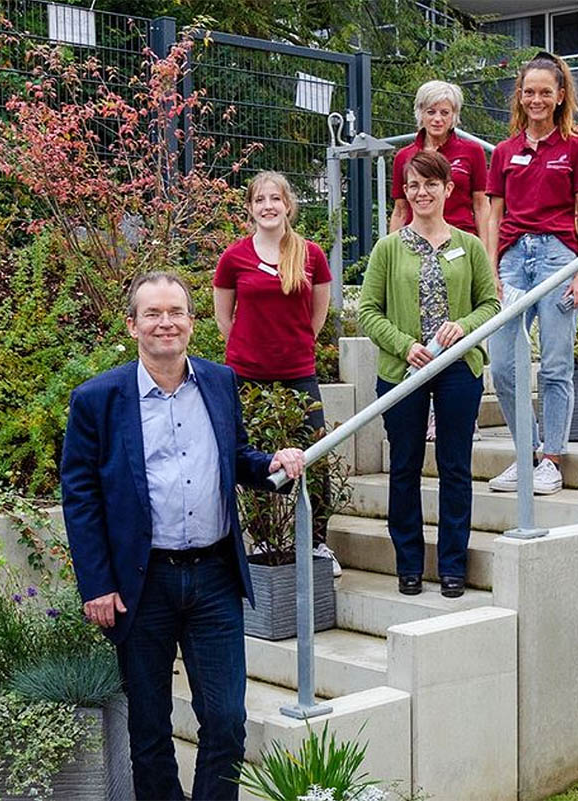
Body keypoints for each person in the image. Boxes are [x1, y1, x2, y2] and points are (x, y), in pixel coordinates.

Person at [60, 272, 305, 801]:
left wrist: (274, 465)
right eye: (153, 313)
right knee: (149, 727)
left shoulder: (219, 382)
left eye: (176, 312)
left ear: (193, 323)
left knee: (225, 720)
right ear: (132, 326)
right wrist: (96, 584)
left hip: (214, 576)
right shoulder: (97, 399)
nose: (165, 322)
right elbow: (79, 498)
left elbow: (235, 457)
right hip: (140, 583)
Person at [358, 151, 500, 599]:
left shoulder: (470, 245)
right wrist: (405, 345)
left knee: (454, 467)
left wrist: (464, 327)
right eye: (413, 186)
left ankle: (453, 566)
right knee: (404, 468)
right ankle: (410, 565)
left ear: (448, 189)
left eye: (430, 185)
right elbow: (366, 311)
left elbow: (491, 305)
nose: (422, 193)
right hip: (404, 370)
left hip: (458, 367)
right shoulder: (388, 247)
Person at [213, 171, 340, 575]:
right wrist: (254, 350)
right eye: (260, 200)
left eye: (276, 198)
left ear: (288, 205)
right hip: (247, 377)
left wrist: (294, 344)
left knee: (314, 459)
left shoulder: (311, 255)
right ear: (250, 208)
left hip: (298, 373)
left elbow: (317, 315)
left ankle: (318, 543)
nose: (268, 206)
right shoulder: (234, 258)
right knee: (254, 459)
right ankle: (265, 539)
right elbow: (224, 319)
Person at [485, 51, 578, 496]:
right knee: (504, 366)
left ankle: (551, 457)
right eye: (529, 92)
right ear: (520, 95)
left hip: (557, 258)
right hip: (513, 259)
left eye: (544, 92)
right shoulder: (506, 151)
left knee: (554, 365)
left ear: (560, 95)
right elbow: (493, 215)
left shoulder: (575, 146)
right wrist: (490, 269)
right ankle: (525, 453)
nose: (536, 99)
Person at [389, 80, 491, 442]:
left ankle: (461, 412)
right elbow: (400, 209)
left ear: (454, 116)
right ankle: (430, 415)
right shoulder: (404, 157)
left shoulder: (472, 152)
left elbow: (483, 205)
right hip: (416, 245)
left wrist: (488, 258)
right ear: (419, 113)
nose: (437, 117)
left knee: (458, 328)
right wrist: (391, 249)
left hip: (460, 248)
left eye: (444, 111)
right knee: (423, 327)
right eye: (430, 111)